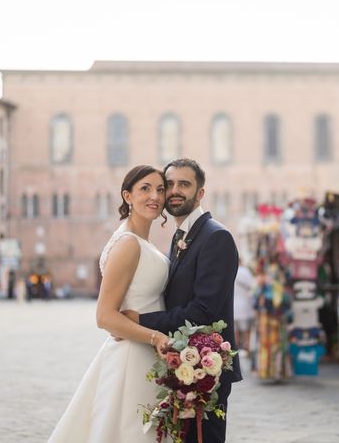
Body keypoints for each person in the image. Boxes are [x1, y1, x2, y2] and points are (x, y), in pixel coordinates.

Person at [122, 158, 242, 443]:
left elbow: (204, 310)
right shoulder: (181, 236)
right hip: (180, 364)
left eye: (184, 184)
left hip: (207, 368)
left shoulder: (217, 237)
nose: (174, 191)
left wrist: (141, 321)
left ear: (200, 193)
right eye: (169, 185)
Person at [48, 165, 170, 443]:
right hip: (133, 355)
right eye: (145, 189)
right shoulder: (128, 243)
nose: (155, 196)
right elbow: (104, 316)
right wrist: (156, 337)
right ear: (127, 196)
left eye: (160, 189)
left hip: (147, 356)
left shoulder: (140, 241)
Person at [234, 259, 255, 354]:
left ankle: (235, 351)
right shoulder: (245, 271)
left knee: (235, 332)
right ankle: (247, 350)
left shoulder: (230, 270)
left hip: (233, 307)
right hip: (245, 307)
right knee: (246, 331)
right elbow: (253, 285)